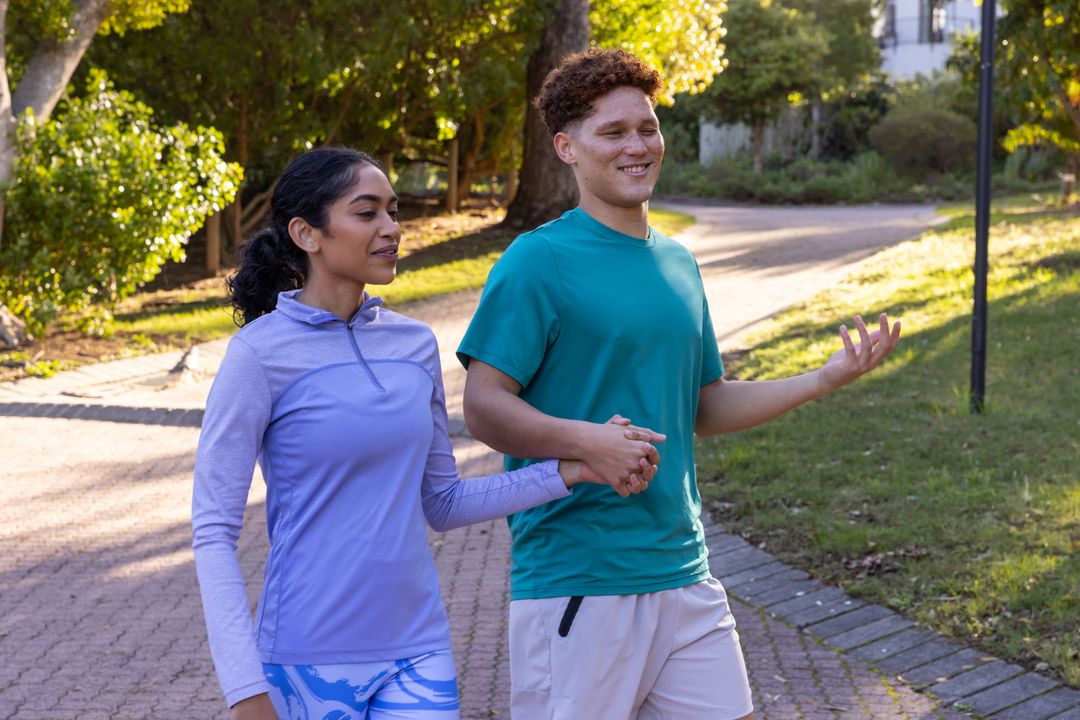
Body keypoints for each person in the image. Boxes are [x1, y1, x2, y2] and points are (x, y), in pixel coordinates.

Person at [457, 49, 902, 720]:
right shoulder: (536, 262)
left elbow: (705, 403)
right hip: (581, 579)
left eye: (648, 127)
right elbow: (484, 406)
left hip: (682, 567)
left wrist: (823, 378)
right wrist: (589, 446)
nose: (638, 146)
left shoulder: (677, 261)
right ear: (566, 147)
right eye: (613, 132)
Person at [191, 147, 664, 720]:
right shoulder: (259, 356)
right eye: (367, 213)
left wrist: (572, 468)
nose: (392, 228)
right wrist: (245, 688)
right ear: (306, 234)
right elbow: (214, 529)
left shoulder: (412, 346)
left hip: (418, 653)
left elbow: (442, 501)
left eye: (393, 212)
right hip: (302, 660)